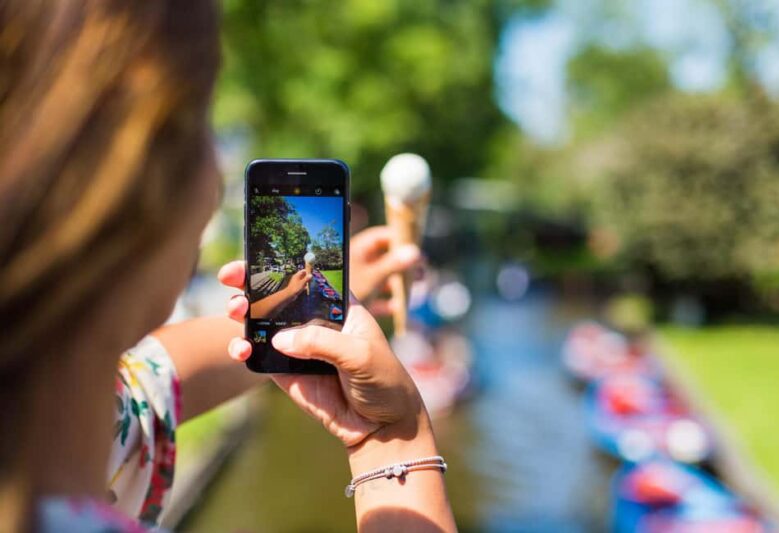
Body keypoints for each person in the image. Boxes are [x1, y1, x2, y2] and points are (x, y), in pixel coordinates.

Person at [0, 1, 456, 532]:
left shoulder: (61, 418)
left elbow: (164, 374)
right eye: (203, 121)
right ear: (135, 185)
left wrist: (335, 280)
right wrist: (390, 437)